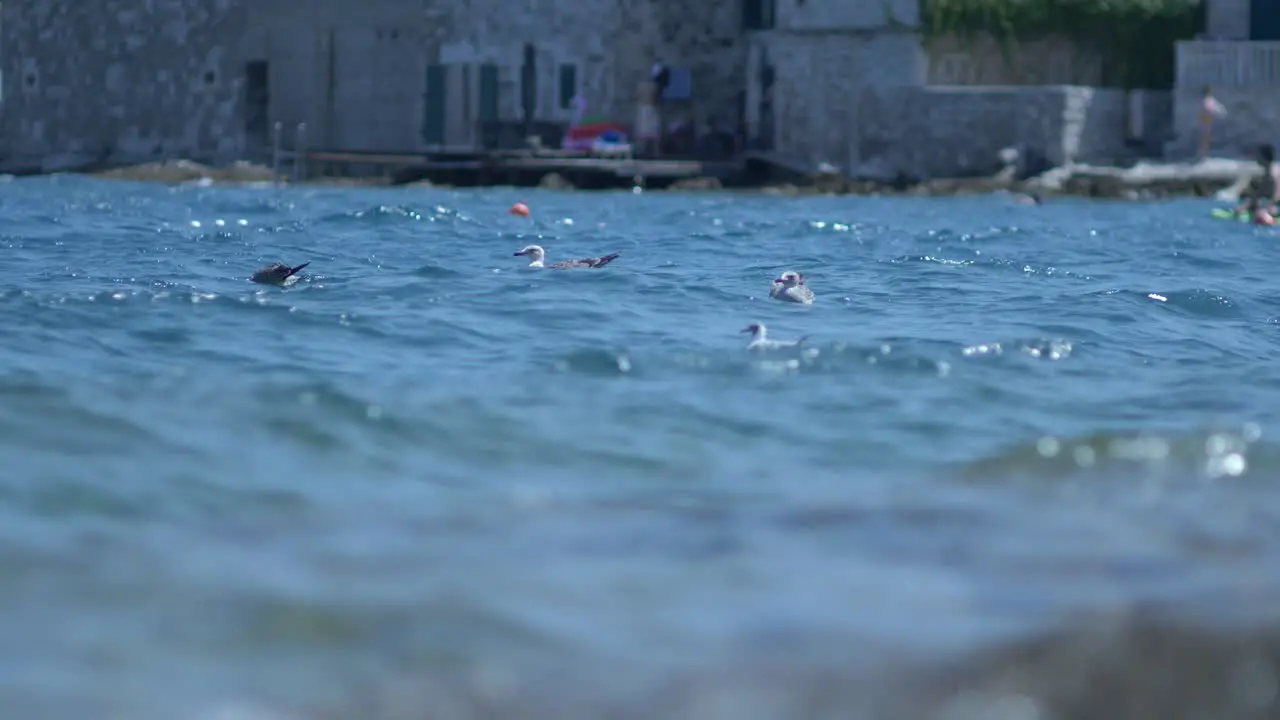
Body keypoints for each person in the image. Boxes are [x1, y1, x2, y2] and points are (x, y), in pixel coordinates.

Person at [1234, 143, 1279, 223]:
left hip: (1267, 210)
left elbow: (1270, 198)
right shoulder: (1269, 174)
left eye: (1258, 156)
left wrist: (1245, 207)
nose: (1256, 158)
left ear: (1264, 158)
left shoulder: (1269, 177)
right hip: (1267, 208)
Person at [1197, 86, 1227, 162]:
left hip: (1205, 120)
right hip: (1205, 120)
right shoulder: (1207, 100)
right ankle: (1202, 156)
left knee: (1205, 138)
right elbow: (1210, 109)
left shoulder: (1205, 100)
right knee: (1205, 139)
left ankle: (1203, 155)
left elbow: (1215, 108)